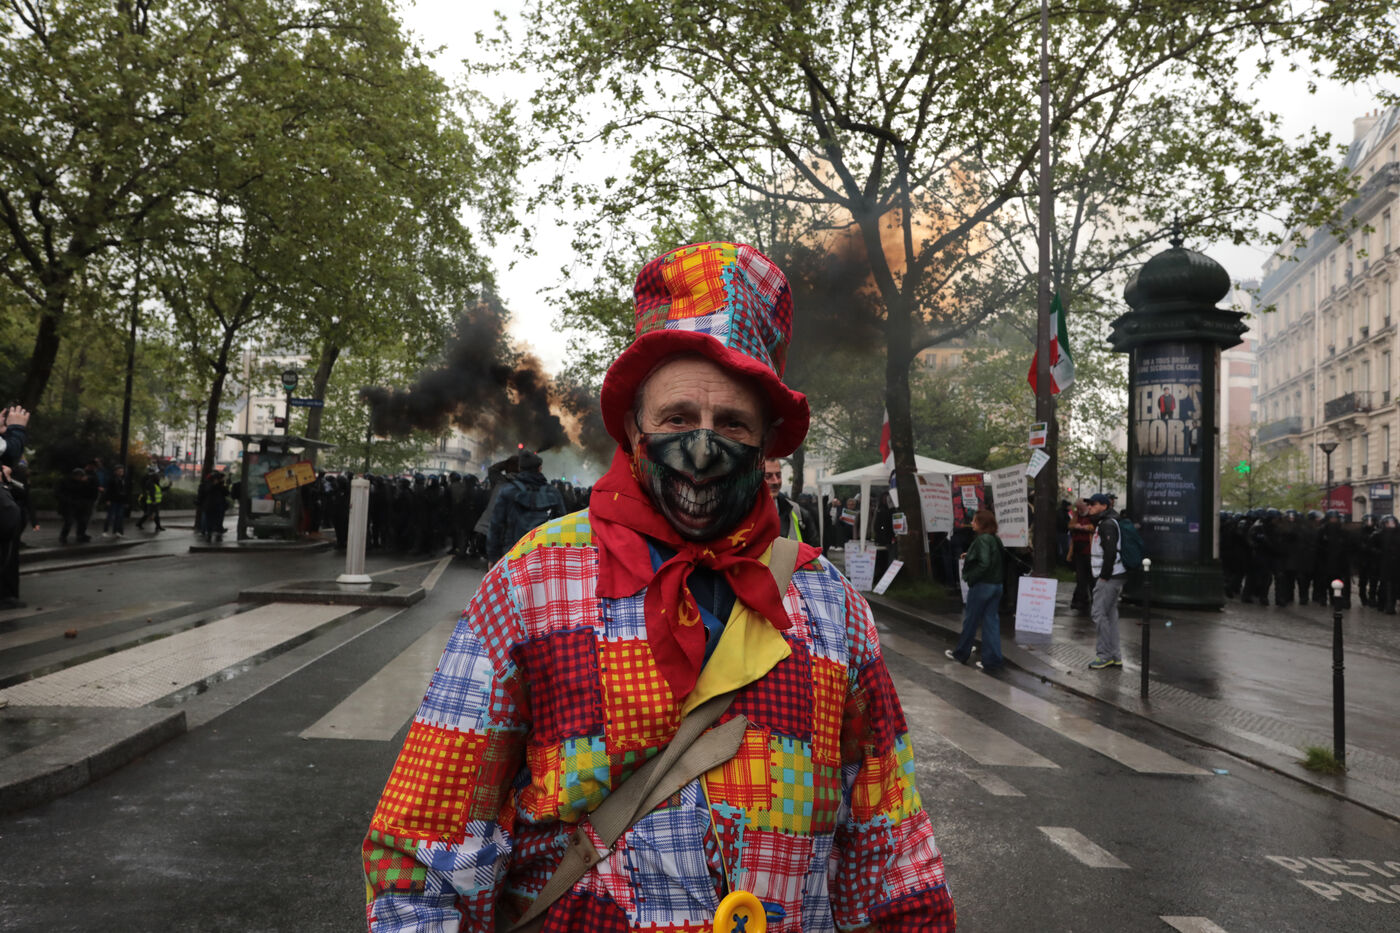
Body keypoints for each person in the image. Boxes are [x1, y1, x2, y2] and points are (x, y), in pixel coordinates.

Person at [363, 241, 954, 931]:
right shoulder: (531, 583)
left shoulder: (830, 606)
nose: (702, 449)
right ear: (633, 428)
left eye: (732, 423)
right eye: (677, 418)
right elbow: (424, 857)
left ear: (766, 441)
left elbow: (891, 853)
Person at [946, 508, 1004, 672]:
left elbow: (984, 563)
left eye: (974, 520)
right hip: (996, 585)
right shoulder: (995, 539)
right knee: (991, 622)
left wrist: (971, 577)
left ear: (981, 523)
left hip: (982, 585)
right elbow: (993, 558)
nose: (971, 523)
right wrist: (970, 555)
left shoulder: (982, 539)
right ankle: (992, 660)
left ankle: (961, 653)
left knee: (971, 621)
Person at [484, 450, 566, 563]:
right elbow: (562, 525)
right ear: (540, 468)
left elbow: (495, 526)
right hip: (543, 556)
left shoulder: (508, 490)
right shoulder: (553, 492)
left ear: (520, 469)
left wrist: (493, 557)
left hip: (513, 554)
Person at [1086, 492, 1126, 670]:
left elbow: (1109, 551)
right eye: (1089, 504)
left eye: (1093, 504)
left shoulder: (1107, 524)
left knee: (1099, 613)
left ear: (1104, 506)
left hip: (1109, 577)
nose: (1090, 507)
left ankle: (1104, 655)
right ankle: (1115, 656)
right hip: (1114, 575)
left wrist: (1104, 575)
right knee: (1110, 615)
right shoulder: (1108, 522)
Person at [763, 457, 817, 545]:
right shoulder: (742, 514)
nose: (775, 482)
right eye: (767, 476)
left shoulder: (799, 514)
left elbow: (814, 549)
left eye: (778, 475)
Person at [1068, 498, 1096, 612]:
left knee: (1090, 576)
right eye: (1078, 508)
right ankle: (1081, 599)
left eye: (1080, 508)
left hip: (1089, 549)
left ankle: (1092, 599)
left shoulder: (1092, 516)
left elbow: (1095, 527)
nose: (1079, 510)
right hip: (1078, 549)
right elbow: (1070, 525)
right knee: (1080, 576)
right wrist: (1075, 526)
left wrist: (1086, 527)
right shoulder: (1076, 515)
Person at [135, 465, 167, 531]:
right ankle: (140, 523)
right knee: (150, 514)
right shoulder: (150, 482)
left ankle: (157, 526)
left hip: (152, 501)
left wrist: (168, 487)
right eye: (157, 474)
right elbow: (151, 492)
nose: (158, 476)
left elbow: (159, 489)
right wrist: (153, 500)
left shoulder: (154, 481)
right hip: (151, 501)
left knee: (152, 514)